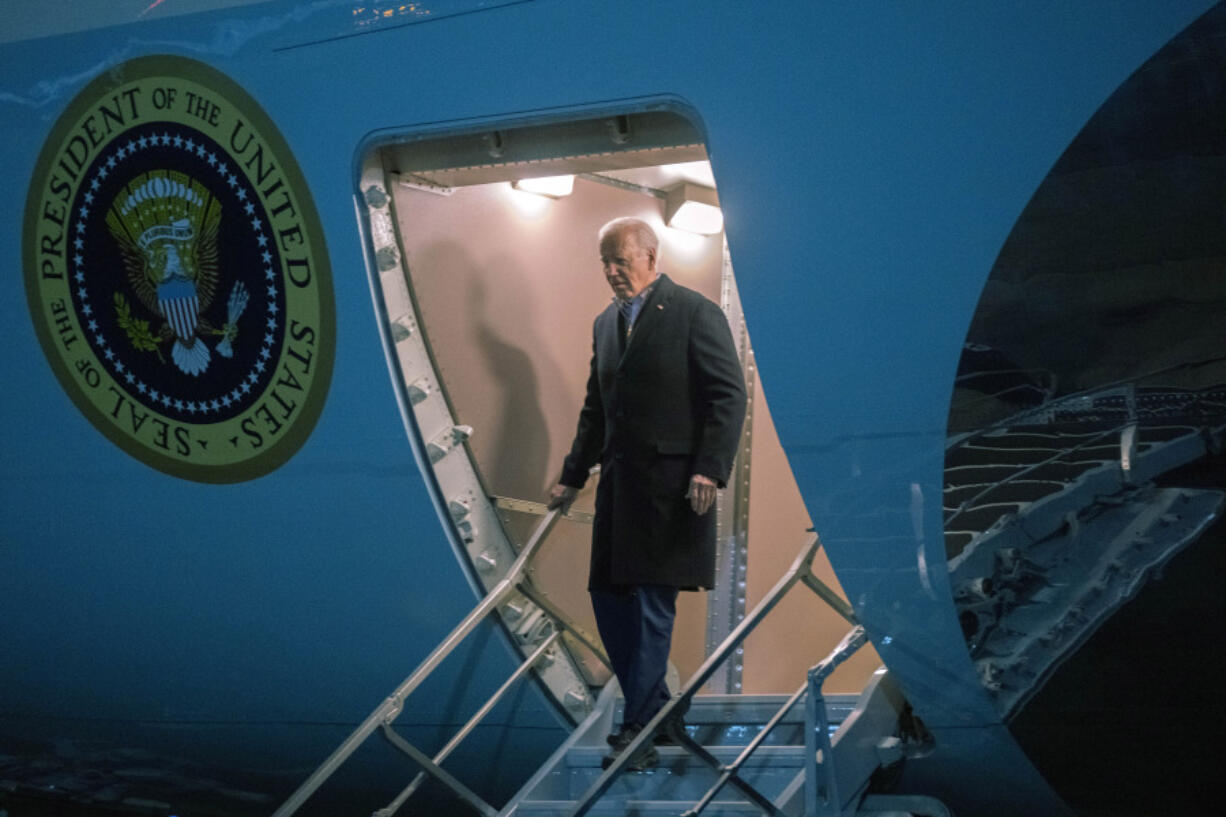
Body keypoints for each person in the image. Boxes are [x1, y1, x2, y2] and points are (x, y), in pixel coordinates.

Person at [548, 217, 746, 770]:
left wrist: (710, 469)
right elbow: (597, 407)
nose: (612, 271)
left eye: (621, 260)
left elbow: (727, 396)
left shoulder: (694, 312)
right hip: (619, 489)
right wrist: (572, 474)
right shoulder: (604, 324)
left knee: (653, 606)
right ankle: (660, 710)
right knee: (607, 599)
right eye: (605, 262)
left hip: (673, 489)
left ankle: (636, 730)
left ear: (651, 257)